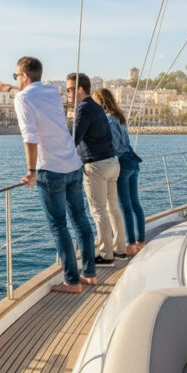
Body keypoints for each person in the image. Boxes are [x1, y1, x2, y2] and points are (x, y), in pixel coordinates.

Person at [13, 57, 96, 293]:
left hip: (51, 169)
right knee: (80, 220)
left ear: (25, 77)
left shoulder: (22, 98)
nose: (16, 80)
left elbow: (30, 137)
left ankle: (72, 281)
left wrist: (31, 172)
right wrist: (9, 88)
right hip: (73, 164)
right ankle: (89, 274)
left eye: (16, 76)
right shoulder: (50, 91)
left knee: (59, 226)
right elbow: (34, 97)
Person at [67, 72, 126, 264]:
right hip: (112, 163)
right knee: (113, 208)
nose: (67, 93)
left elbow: (73, 139)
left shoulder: (83, 109)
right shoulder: (98, 108)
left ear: (80, 89)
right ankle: (119, 249)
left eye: (69, 89)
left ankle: (105, 254)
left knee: (98, 211)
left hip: (96, 166)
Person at [92, 88, 146, 256]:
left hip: (121, 163)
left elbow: (114, 146)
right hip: (133, 162)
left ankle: (130, 245)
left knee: (125, 206)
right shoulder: (120, 117)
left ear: (100, 102)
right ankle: (141, 241)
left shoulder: (107, 119)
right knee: (135, 204)